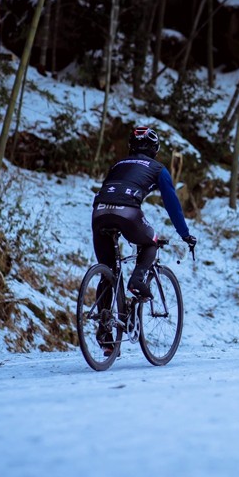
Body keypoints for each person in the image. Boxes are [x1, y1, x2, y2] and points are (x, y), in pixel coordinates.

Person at [91, 126, 197, 352]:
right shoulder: (158, 168)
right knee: (151, 242)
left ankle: (105, 332)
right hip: (128, 212)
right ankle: (138, 279)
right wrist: (185, 234)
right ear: (155, 149)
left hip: (99, 213)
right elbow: (172, 205)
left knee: (108, 271)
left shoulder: (118, 165)